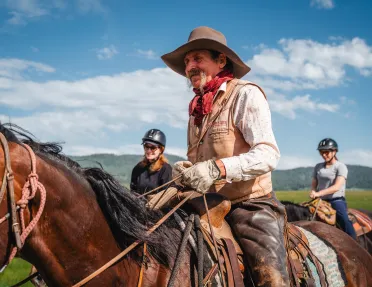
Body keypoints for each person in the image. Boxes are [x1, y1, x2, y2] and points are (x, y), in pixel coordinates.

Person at [161, 26, 289, 286]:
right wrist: (189, 171)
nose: (190, 67)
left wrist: (215, 168)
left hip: (249, 204)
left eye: (197, 59)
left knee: (272, 280)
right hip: (206, 203)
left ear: (221, 61)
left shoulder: (245, 94)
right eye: (187, 62)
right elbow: (203, 165)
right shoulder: (197, 109)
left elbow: (268, 154)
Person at [310, 138, 357, 239]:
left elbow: (336, 187)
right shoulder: (318, 166)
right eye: (321, 152)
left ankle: (354, 241)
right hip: (320, 201)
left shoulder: (340, 166)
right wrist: (313, 191)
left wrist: (318, 193)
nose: (324, 155)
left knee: (344, 219)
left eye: (326, 152)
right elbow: (314, 182)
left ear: (334, 151)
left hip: (336, 200)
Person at [130, 129, 172, 195]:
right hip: (138, 204)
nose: (149, 151)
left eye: (153, 147)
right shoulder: (138, 168)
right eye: (146, 146)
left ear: (161, 149)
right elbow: (132, 192)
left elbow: (166, 196)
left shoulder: (165, 169)